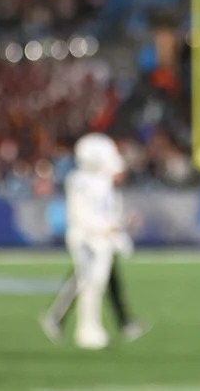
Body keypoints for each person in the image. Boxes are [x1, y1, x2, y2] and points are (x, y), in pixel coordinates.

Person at [40, 134, 147, 349]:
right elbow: (84, 216)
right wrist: (109, 229)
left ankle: (91, 327)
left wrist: (120, 228)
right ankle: (85, 330)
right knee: (88, 282)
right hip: (87, 239)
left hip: (99, 239)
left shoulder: (100, 183)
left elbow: (108, 215)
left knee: (95, 282)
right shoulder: (82, 182)